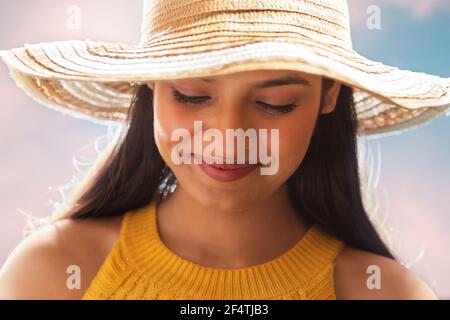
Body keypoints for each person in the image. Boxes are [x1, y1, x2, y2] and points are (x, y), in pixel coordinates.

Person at [0, 0, 447, 300]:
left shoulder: (387, 293)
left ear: (329, 94)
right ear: (151, 86)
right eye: (192, 96)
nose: (227, 135)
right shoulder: (54, 272)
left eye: (275, 104)